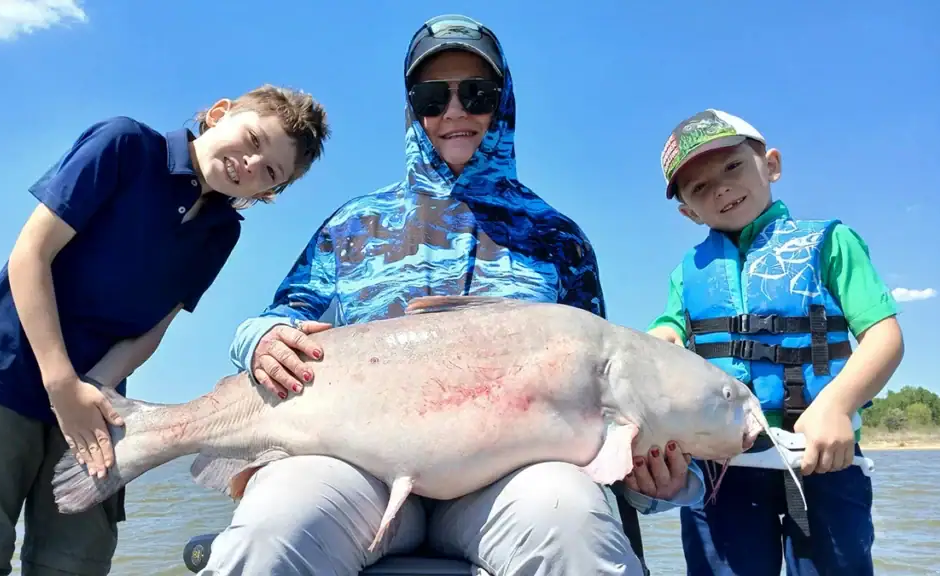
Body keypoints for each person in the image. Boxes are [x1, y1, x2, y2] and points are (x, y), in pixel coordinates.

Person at [203, 15, 706, 576]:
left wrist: (656, 485)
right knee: (273, 523)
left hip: (512, 481)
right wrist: (261, 339)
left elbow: (611, 387)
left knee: (572, 520)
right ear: (411, 108)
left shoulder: (558, 237)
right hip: (357, 471)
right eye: (432, 96)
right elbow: (283, 317)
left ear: (505, 102)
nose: (455, 111)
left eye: (478, 93)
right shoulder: (353, 224)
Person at [0, 84, 330, 575]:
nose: (250, 163)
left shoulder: (223, 232)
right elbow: (31, 254)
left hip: (96, 403)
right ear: (219, 114)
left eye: (269, 171)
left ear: (269, 192)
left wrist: (91, 391)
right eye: (251, 139)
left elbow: (154, 327)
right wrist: (61, 383)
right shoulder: (124, 145)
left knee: (75, 562)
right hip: (2, 377)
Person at [647, 109, 904, 575]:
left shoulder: (832, 242)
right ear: (687, 211)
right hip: (721, 466)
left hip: (824, 455)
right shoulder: (687, 274)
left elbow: (884, 337)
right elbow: (666, 335)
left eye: (731, 166)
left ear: (771, 164)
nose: (721, 188)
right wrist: (649, 348)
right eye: (700, 187)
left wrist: (837, 406)